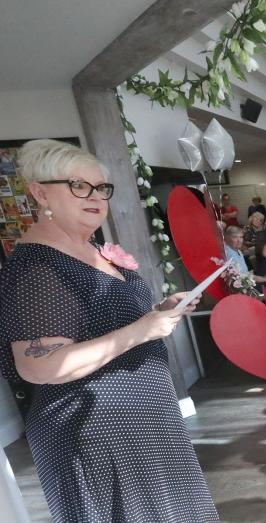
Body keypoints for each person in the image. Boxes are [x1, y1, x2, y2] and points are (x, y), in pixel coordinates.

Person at [0, 139, 218, 521]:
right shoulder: (38, 268)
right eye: (78, 185)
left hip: (144, 422)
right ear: (39, 192)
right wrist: (143, 330)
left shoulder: (88, 249)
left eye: (101, 188)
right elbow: (41, 367)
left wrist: (157, 312)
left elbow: (102, 325)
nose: (94, 196)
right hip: (100, 434)